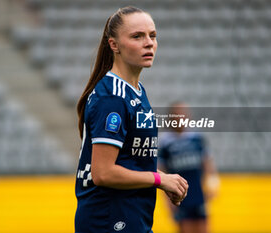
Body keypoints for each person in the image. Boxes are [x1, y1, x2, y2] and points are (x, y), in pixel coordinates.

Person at [75, 6, 188, 233]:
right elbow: (103, 173)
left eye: (152, 36)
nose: (149, 43)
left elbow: (133, 160)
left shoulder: (136, 91)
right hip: (108, 220)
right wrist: (159, 179)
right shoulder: (112, 97)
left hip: (133, 217)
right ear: (114, 45)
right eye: (137, 36)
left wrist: (163, 183)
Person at [159, 102, 219, 233]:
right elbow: (162, 171)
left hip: (198, 193)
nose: (182, 117)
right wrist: (167, 200)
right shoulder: (166, 142)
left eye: (184, 113)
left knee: (203, 227)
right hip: (179, 194)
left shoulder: (196, 137)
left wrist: (213, 183)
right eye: (178, 113)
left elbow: (207, 162)